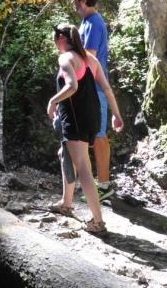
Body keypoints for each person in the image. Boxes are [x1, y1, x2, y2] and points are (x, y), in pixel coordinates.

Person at [46, 24, 123, 233]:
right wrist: (116, 115)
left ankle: (98, 221)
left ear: (62, 38)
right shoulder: (91, 59)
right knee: (66, 154)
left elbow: (72, 86)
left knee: (83, 167)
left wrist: (53, 101)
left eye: (55, 39)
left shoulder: (66, 58)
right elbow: (106, 88)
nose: (54, 43)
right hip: (93, 117)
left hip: (76, 118)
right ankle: (66, 204)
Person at [71, 0, 115, 200]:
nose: (73, 4)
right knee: (91, 134)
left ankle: (104, 185)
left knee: (98, 136)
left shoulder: (94, 23)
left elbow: (89, 55)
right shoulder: (87, 22)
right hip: (89, 87)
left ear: (84, 1)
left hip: (95, 87)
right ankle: (96, 184)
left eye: (75, 0)